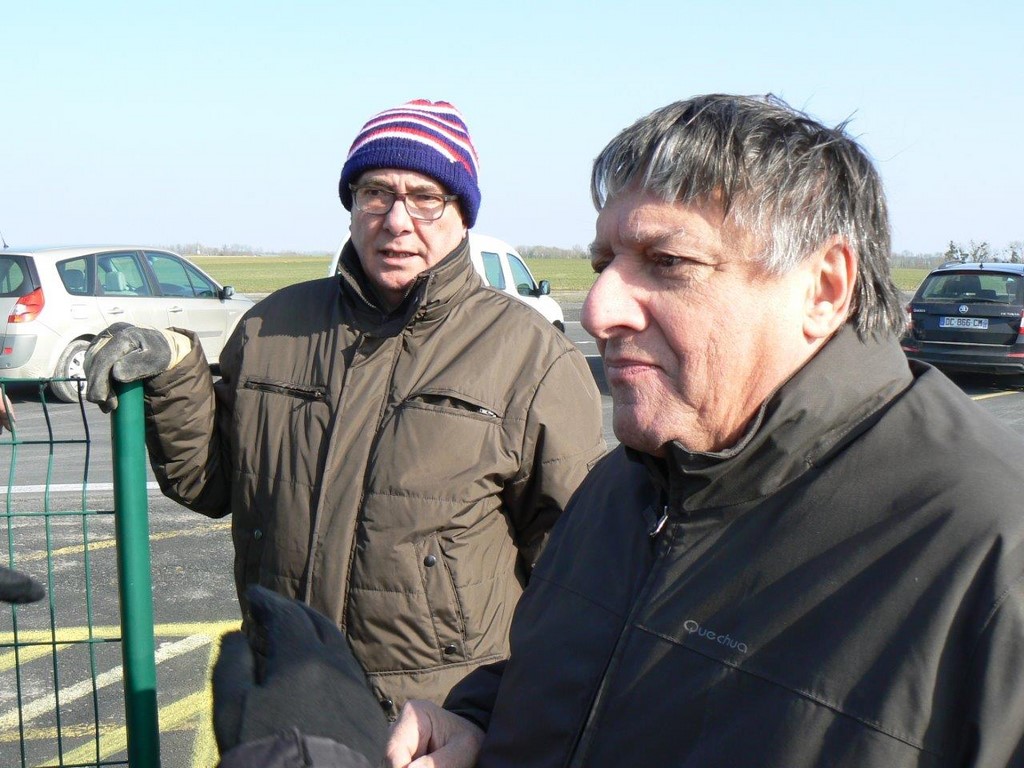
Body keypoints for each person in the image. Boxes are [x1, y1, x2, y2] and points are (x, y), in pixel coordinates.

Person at [386, 94, 1024, 767]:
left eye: (668, 262)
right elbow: (582, 679)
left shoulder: (991, 550)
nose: (599, 311)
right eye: (604, 264)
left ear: (824, 288)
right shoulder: (625, 484)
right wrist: (479, 724)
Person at [84, 98, 605, 717]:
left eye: (426, 197)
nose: (397, 220)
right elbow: (211, 482)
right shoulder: (273, 327)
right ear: (351, 204)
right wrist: (175, 373)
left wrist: (510, 718)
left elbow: (576, 573)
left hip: (433, 718)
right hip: (283, 691)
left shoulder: (530, 357)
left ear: (462, 214)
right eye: (375, 193)